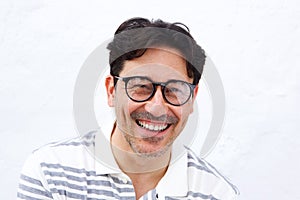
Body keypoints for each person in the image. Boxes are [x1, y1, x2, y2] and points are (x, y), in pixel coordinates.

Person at [17, 17, 239, 200]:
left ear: (192, 99)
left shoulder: (217, 194)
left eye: (174, 89)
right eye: (141, 86)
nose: (156, 108)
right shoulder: (50, 172)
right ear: (112, 91)